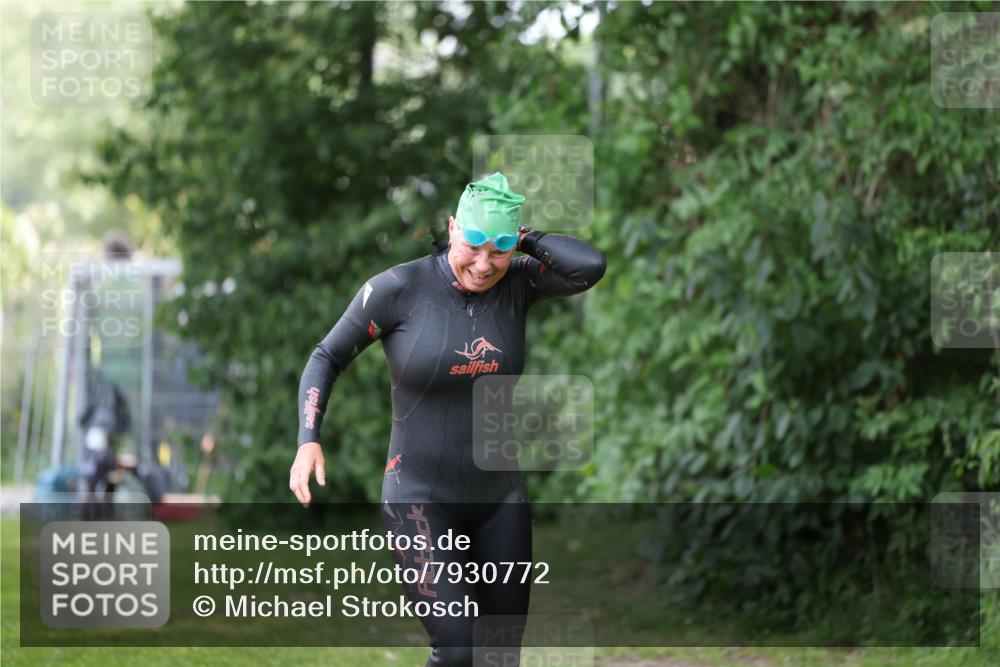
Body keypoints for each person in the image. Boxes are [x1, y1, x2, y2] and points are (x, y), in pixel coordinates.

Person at [289, 172, 606, 666]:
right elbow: (325, 357)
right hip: (418, 499)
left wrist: (519, 239)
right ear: (453, 226)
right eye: (473, 244)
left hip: (500, 500)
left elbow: (590, 265)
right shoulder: (398, 289)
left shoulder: (518, 283)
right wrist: (309, 438)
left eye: (497, 252)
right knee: (458, 649)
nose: (483, 265)